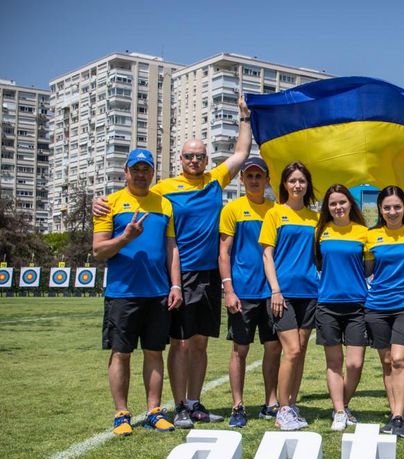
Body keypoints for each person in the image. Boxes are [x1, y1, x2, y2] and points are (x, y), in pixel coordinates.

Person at [93, 96, 253, 428]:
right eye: (189, 156)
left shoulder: (214, 180)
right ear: (180, 159)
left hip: (209, 274)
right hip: (179, 273)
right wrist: (100, 203)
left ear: (206, 159)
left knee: (200, 342)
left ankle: (194, 402)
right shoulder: (163, 189)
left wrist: (245, 118)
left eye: (200, 156)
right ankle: (178, 405)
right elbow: (133, 196)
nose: (195, 160)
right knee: (179, 343)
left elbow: (240, 154)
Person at [92, 148, 182, 436]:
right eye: (136, 169)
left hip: (158, 292)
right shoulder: (110, 204)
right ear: (126, 172)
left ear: (152, 173)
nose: (141, 174)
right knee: (121, 353)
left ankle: (154, 411)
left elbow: (172, 248)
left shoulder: (164, 205)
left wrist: (175, 284)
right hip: (122, 293)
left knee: (154, 352)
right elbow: (98, 250)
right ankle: (121, 413)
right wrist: (125, 237)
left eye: (147, 169)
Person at [218, 158, 281, 428]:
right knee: (239, 350)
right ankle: (238, 405)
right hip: (242, 293)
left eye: (259, 175)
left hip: (271, 293)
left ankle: (271, 403)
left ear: (267, 179)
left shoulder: (276, 210)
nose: (254, 180)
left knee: (273, 348)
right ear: (241, 179)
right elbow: (224, 252)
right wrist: (229, 289)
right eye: (249, 175)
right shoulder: (232, 209)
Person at [260, 161, 319, 431]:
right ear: (284, 184)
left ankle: (292, 404)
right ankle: (282, 409)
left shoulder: (315, 218)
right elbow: (267, 254)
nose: (297, 185)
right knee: (292, 350)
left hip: (310, 292)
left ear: (307, 185)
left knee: (302, 351)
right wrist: (275, 290)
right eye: (292, 180)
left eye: (302, 181)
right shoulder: (274, 214)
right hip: (281, 294)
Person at [365, 186, 404, 438]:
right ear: (380, 209)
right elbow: (367, 269)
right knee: (387, 362)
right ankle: (394, 415)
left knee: (400, 359)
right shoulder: (370, 236)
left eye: (397, 207)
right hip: (377, 306)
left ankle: (400, 416)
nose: (392, 212)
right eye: (387, 207)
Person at [314, 184, 369, 431]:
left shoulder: (363, 232)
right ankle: (339, 411)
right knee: (334, 362)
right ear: (328, 207)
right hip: (327, 305)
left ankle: (343, 405)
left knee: (355, 364)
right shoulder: (321, 231)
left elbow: (369, 267)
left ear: (350, 204)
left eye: (342, 202)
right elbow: (316, 263)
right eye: (333, 203)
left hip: (358, 304)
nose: (338, 207)